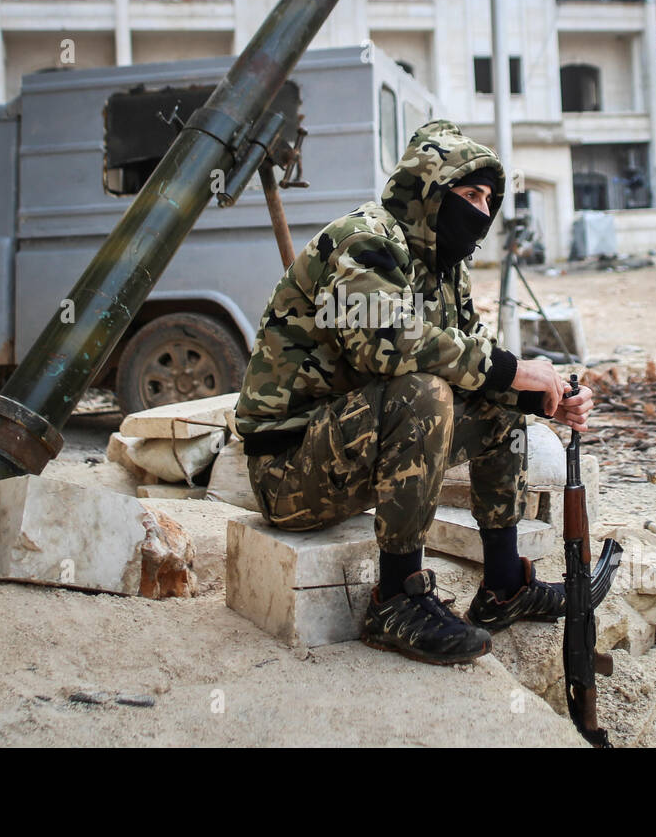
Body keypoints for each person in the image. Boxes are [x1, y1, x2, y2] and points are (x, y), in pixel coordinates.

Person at [233, 119, 592, 665]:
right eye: (469, 194)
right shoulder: (366, 240)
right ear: (429, 190)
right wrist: (515, 369)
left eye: (488, 199)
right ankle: (397, 598)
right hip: (290, 472)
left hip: (349, 454)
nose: (481, 209)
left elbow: (477, 360)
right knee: (424, 391)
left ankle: (503, 586)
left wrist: (545, 395)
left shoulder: (444, 266)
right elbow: (387, 345)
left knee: (496, 402)